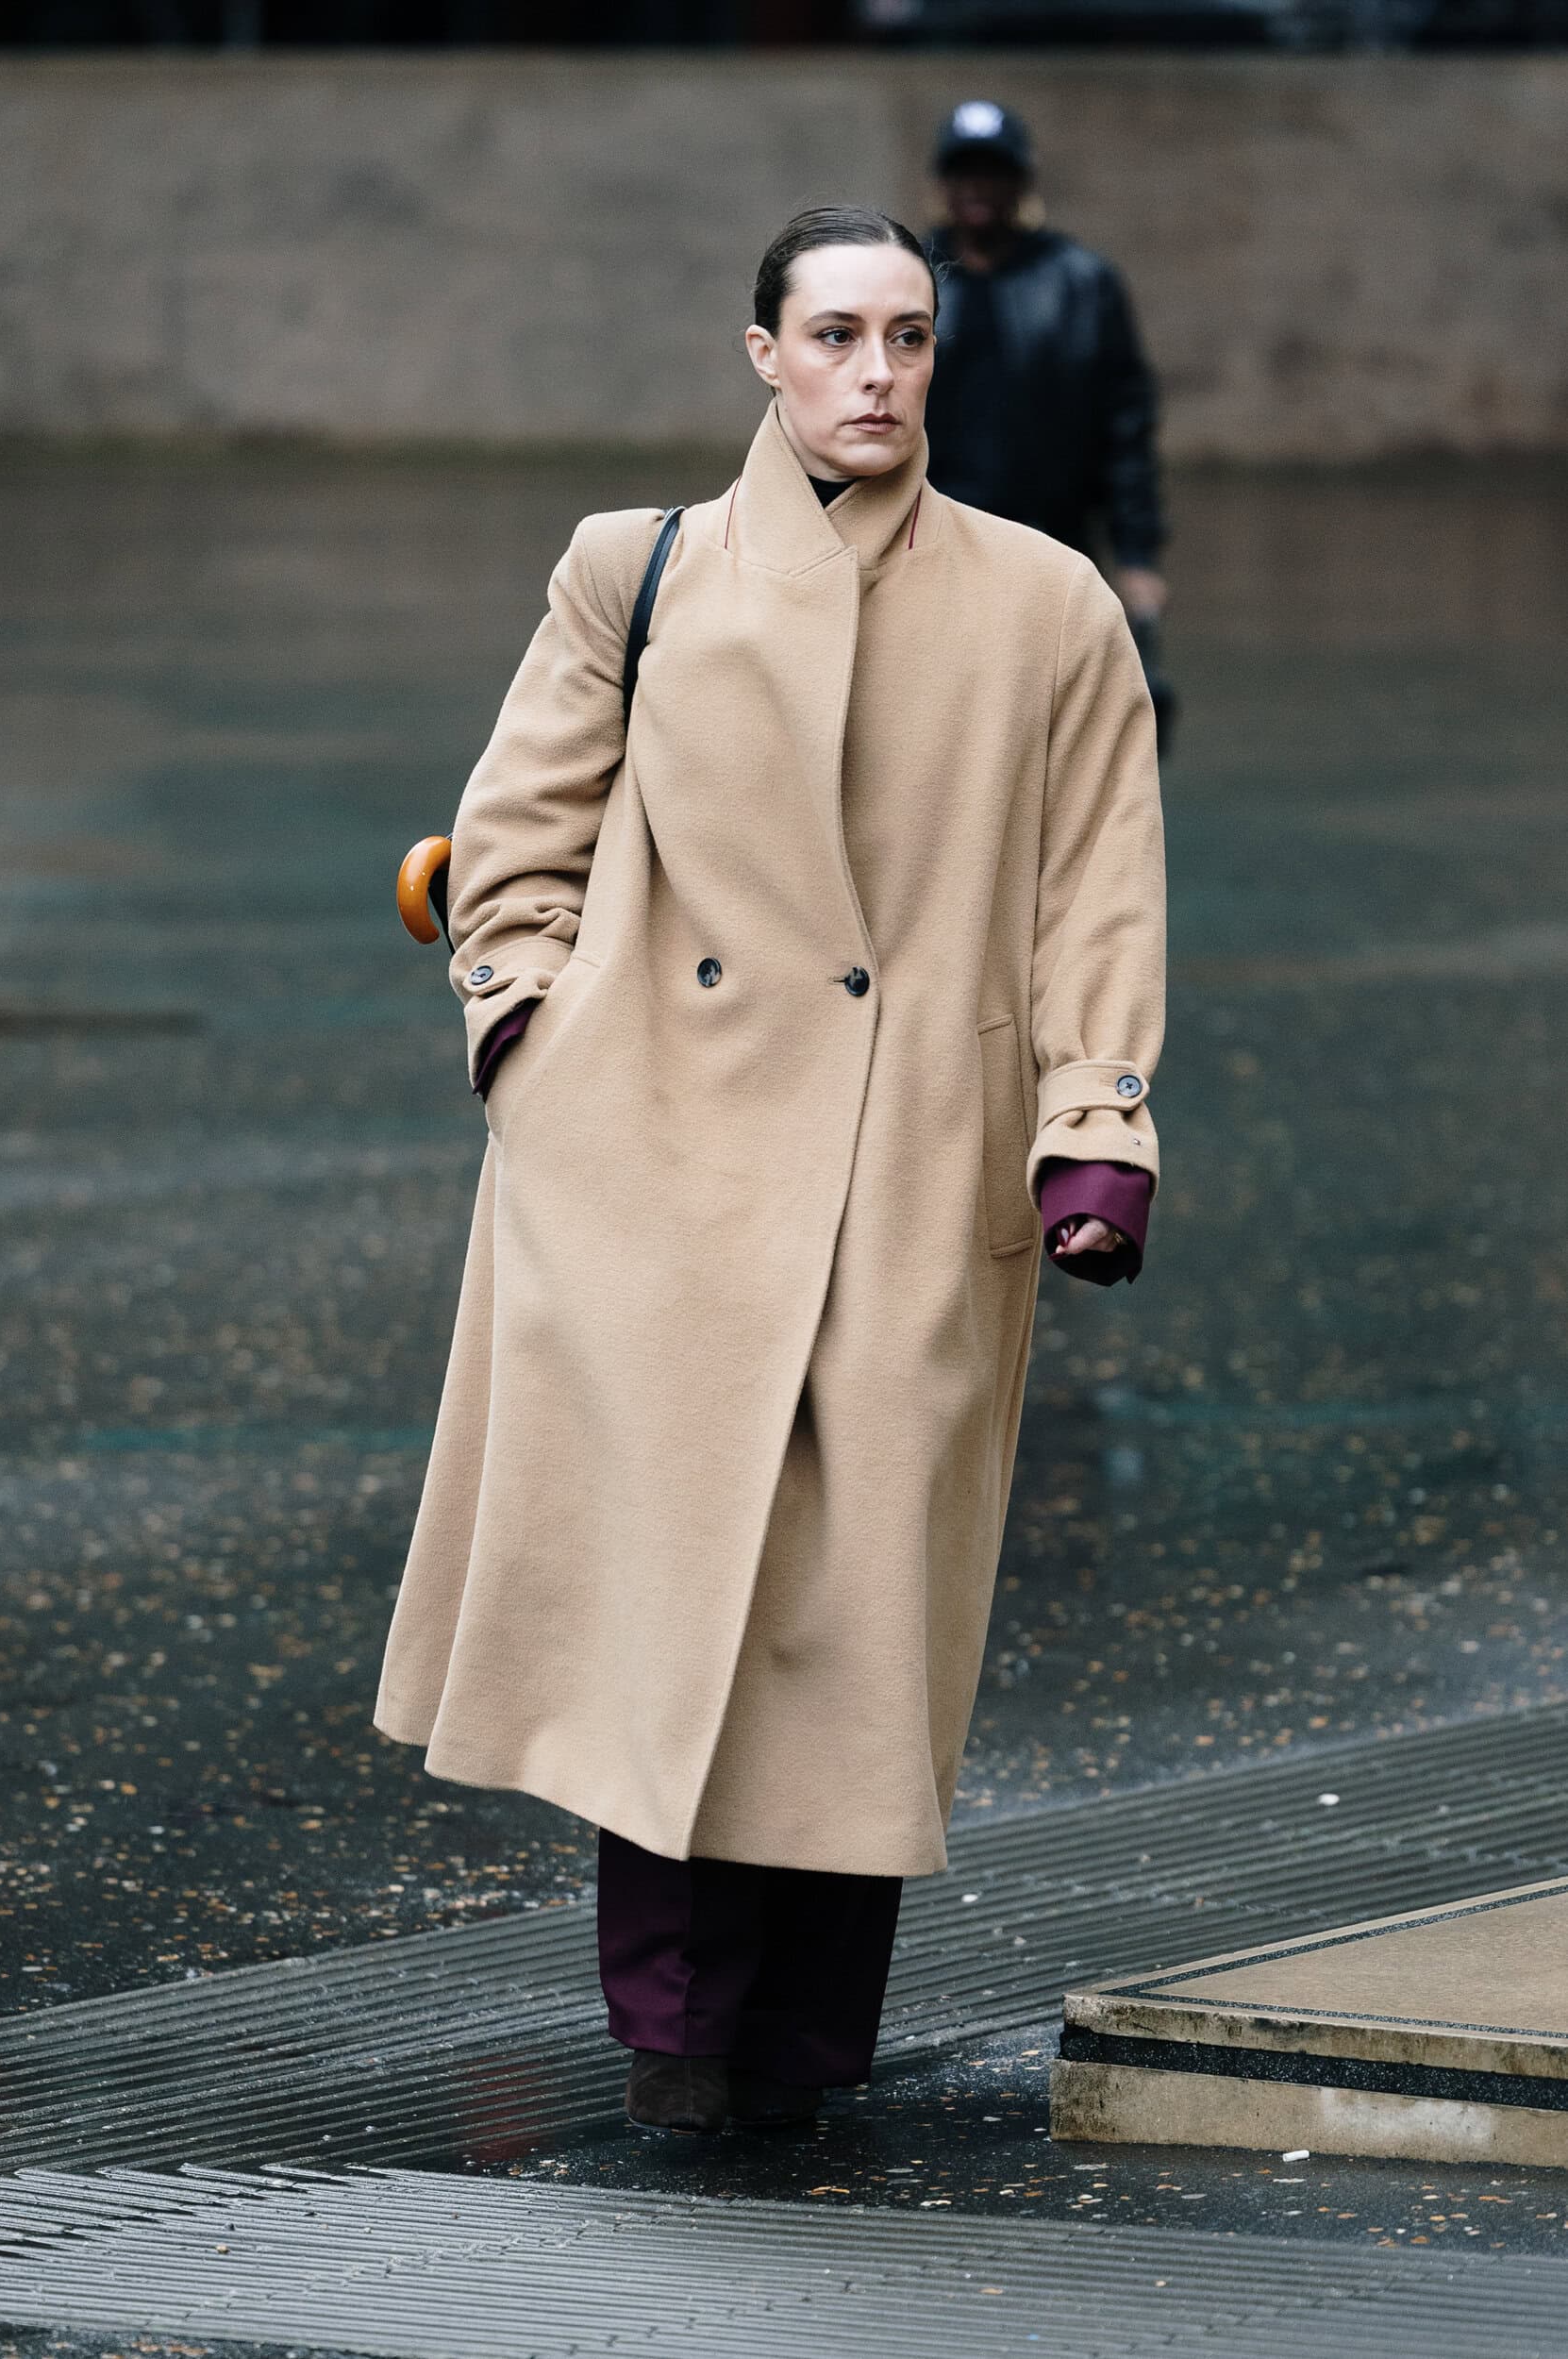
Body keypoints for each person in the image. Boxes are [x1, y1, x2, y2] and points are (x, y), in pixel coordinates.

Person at [375, 207, 1164, 2135]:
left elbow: (1097, 892)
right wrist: (525, 1035)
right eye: (833, 334)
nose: (874, 372)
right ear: (762, 352)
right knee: (675, 1600)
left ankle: (803, 2038)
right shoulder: (631, 568)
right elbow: (517, 835)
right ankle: (674, 2029)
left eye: (906, 335)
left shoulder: (1045, 603)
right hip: (657, 1159)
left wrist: (1093, 1122)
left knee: (854, 1615)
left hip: (917, 1162)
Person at [924, 101, 1175, 742]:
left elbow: (1125, 426)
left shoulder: (1082, 283)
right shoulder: (908, 278)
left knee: (1047, 721)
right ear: (944, 182)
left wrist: (1138, 555)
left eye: (993, 171)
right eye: (964, 171)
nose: (978, 187)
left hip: (1051, 540)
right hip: (929, 543)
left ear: (1022, 181)